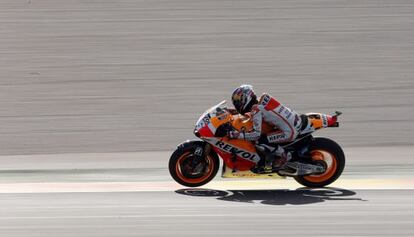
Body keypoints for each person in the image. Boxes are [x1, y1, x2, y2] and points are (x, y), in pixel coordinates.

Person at [228, 84, 306, 170]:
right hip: (294, 121)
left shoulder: (256, 109)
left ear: (246, 98)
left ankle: (285, 156)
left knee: (260, 140)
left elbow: (256, 135)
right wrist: (234, 112)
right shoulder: (263, 98)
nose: (237, 104)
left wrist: (237, 135)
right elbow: (256, 112)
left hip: (289, 132)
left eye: (238, 102)